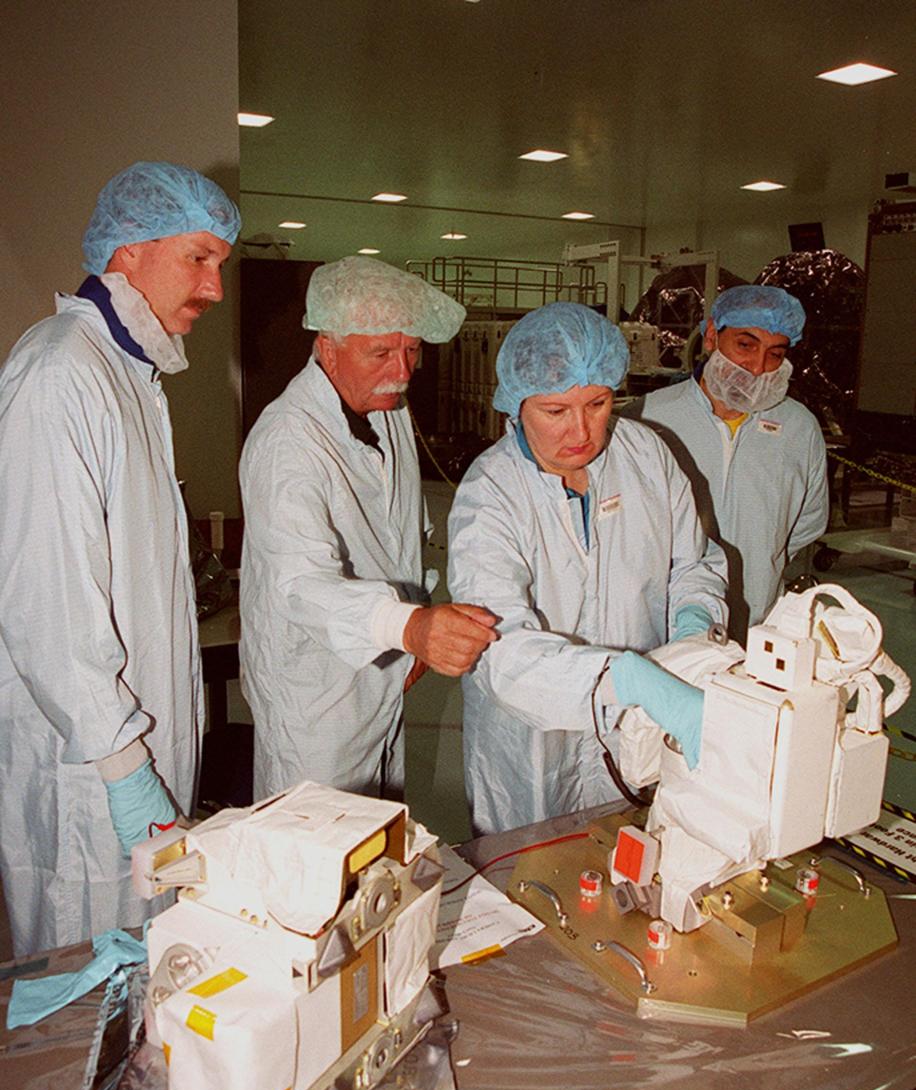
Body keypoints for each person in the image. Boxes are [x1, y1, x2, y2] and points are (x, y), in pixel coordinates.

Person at [0, 162, 240, 956]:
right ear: (129, 252)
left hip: (136, 758)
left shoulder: (129, 374)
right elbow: (48, 602)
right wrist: (123, 767)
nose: (213, 288)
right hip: (91, 777)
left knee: (147, 993)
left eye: (220, 266)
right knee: (83, 1013)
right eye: (198, 259)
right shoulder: (60, 372)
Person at [447, 302, 728, 835]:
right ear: (516, 404)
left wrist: (693, 632)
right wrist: (625, 679)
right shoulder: (491, 495)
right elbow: (500, 645)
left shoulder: (646, 455)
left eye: (597, 404)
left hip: (638, 730)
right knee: (527, 880)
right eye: (555, 411)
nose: (580, 430)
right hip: (531, 741)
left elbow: (693, 563)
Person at [240, 255, 498, 801]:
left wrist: (412, 638)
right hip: (318, 705)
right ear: (326, 347)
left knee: (381, 858)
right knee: (316, 859)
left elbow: (405, 534)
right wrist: (408, 628)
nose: (402, 371)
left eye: (411, 349)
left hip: (385, 677)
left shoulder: (389, 413)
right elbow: (300, 586)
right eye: (380, 352)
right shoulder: (287, 442)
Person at [634, 284, 828, 643]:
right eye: (745, 344)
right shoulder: (647, 418)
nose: (757, 367)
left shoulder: (799, 428)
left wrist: (759, 558)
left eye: (775, 353)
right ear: (711, 335)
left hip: (757, 621)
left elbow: (806, 524)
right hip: (664, 625)